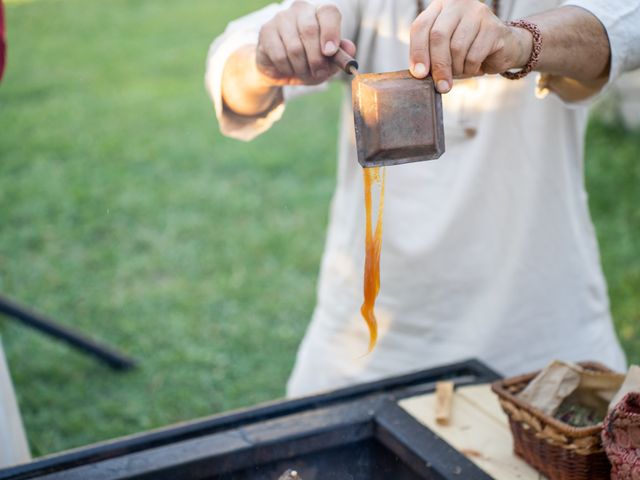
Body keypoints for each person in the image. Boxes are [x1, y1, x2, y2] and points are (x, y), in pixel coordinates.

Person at [206, 0, 640, 397]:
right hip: (366, 354)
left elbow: (624, 24)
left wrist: (520, 41)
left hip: (545, 346)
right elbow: (233, 66)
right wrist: (264, 62)